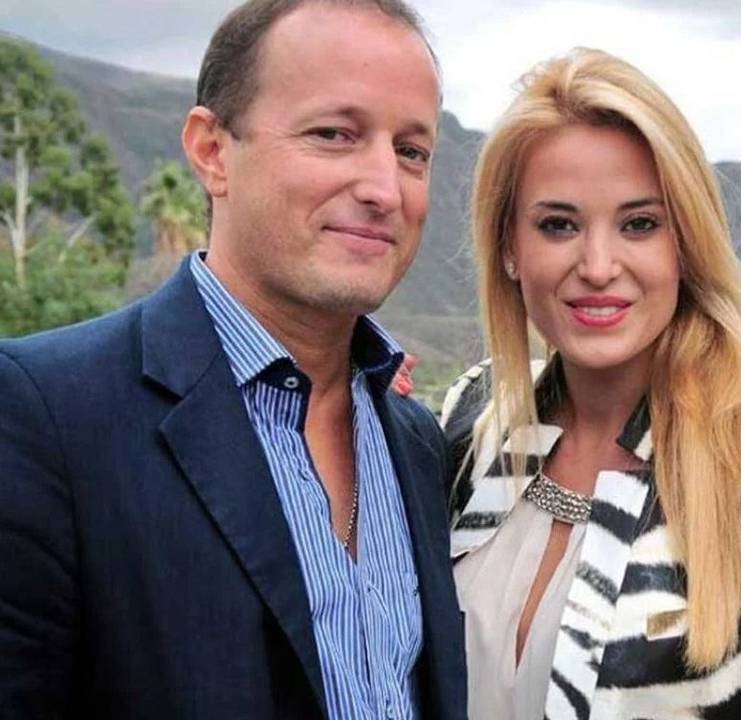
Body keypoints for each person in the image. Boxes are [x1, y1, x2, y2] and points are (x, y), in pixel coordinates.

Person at [0, 0, 464, 717]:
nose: (383, 188)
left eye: (411, 152)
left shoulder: (418, 440)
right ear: (213, 151)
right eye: (334, 134)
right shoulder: (46, 416)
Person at [438, 49, 741, 719]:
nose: (598, 266)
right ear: (510, 248)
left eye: (639, 224)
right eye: (558, 224)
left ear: (686, 243)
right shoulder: (473, 420)